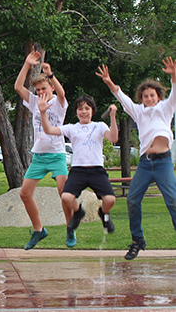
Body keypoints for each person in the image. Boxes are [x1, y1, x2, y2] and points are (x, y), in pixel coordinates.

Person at [97, 58, 176, 260]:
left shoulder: (165, 108)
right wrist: (108, 82)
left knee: (173, 201)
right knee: (132, 200)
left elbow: (174, 93)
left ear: (158, 96)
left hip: (163, 162)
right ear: (141, 98)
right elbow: (121, 96)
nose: (149, 98)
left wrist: (173, 75)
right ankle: (137, 240)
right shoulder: (138, 111)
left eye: (152, 95)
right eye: (145, 96)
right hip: (145, 163)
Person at [38, 94, 118, 247]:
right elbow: (48, 130)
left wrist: (113, 116)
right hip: (78, 171)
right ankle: (78, 212)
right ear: (76, 112)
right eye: (80, 109)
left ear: (92, 111)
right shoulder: (71, 128)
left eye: (87, 108)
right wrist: (43, 112)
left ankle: (103, 214)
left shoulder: (100, 126)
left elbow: (114, 138)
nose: (84, 112)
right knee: (66, 197)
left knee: (110, 200)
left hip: (97, 170)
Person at [14, 51, 69, 249]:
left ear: (51, 88)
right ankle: (39, 230)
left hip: (56, 155)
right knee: (24, 194)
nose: (40, 93)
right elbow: (18, 87)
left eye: (44, 88)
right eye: (37, 90)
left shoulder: (58, 103)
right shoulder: (35, 104)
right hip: (39, 156)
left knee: (64, 191)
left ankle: (70, 228)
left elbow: (62, 94)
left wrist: (51, 74)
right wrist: (27, 64)